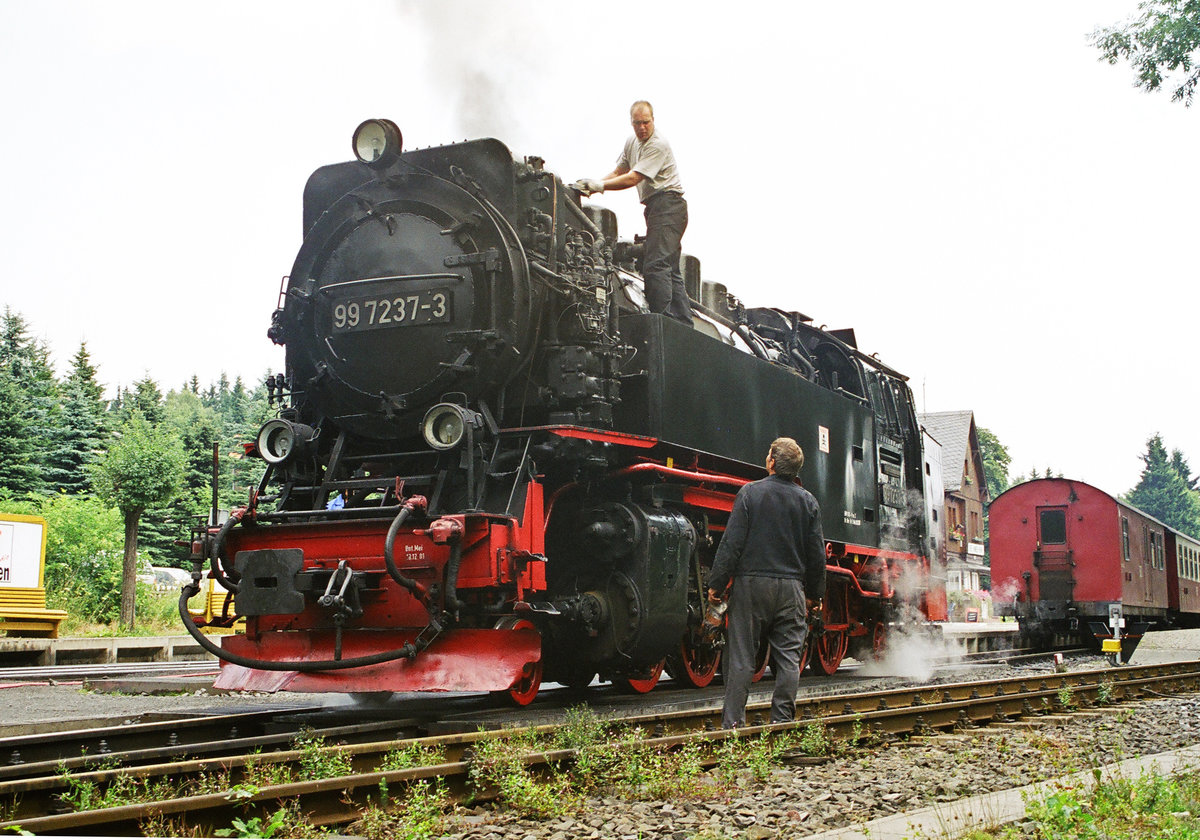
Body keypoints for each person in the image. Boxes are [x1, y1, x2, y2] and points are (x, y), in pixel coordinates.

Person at [707, 437, 826, 730]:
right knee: (789, 659)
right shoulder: (808, 501)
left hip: (752, 586)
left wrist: (717, 584)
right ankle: (782, 723)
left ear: (772, 461)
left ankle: (733, 725)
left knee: (741, 658)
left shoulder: (749, 494)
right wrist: (815, 594)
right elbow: (817, 555)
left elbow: (731, 543)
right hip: (791, 590)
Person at [574, 100, 693, 325]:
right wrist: (594, 183)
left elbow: (633, 178)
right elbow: (621, 170)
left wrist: (600, 187)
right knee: (670, 269)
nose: (642, 128)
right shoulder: (633, 142)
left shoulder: (658, 144)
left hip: (669, 207)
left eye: (646, 123)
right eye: (637, 123)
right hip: (656, 209)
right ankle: (684, 324)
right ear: (631, 123)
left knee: (655, 265)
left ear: (653, 120)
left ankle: (662, 322)